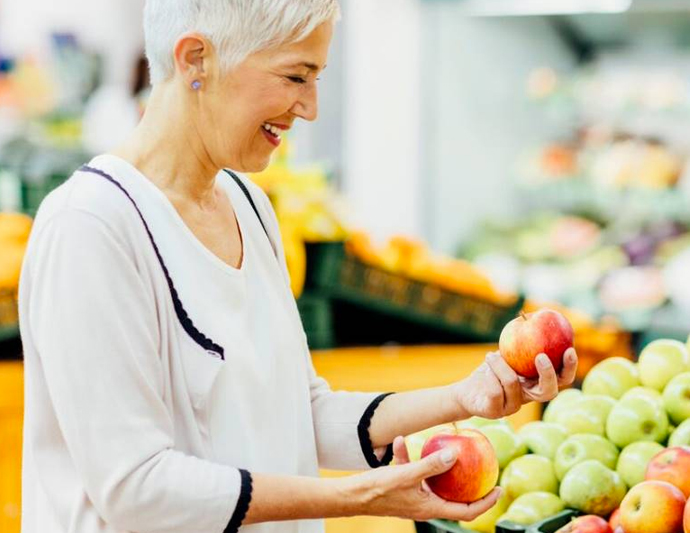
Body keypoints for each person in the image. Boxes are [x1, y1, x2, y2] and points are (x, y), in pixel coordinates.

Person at [18, 1, 578, 532]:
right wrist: (360, 496)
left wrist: (464, 397)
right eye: (295, 77)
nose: (310, 106)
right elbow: (137, 487)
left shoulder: (249, 205)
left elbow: (300, 413)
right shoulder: (91, 227)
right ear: (196, 59)